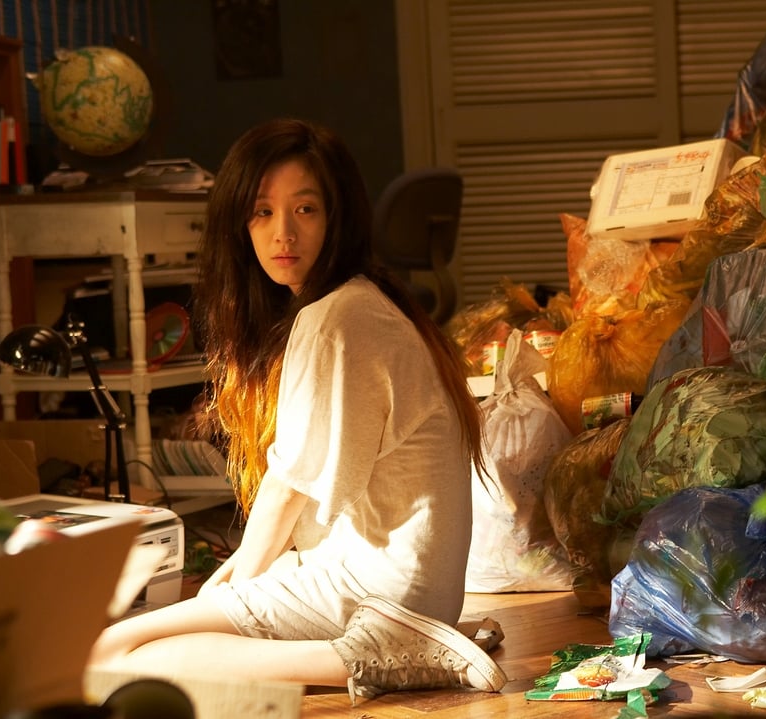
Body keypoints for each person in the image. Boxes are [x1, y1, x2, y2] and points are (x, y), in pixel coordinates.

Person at [89, 118, 506, 701]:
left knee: (112, 654)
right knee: (161, 634)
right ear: (240, 223)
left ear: (338, 217)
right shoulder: (362, 301)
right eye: (262, 212)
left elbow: (288, 491)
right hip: (398, 583)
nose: (283, 233)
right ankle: (406, 645)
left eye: (305, 209)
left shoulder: (340, 317)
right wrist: (223, 593)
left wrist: (228, 595)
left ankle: (378, 658)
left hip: (380, 592)